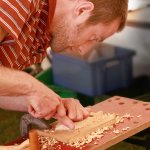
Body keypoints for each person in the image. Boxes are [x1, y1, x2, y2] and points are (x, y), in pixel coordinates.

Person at [0, 0, 128, 129]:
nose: (83, 51)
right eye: (93, 38)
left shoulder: (42, 34)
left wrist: (53, 103)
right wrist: (32, 87)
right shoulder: (21, 2)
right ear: (82, 10)